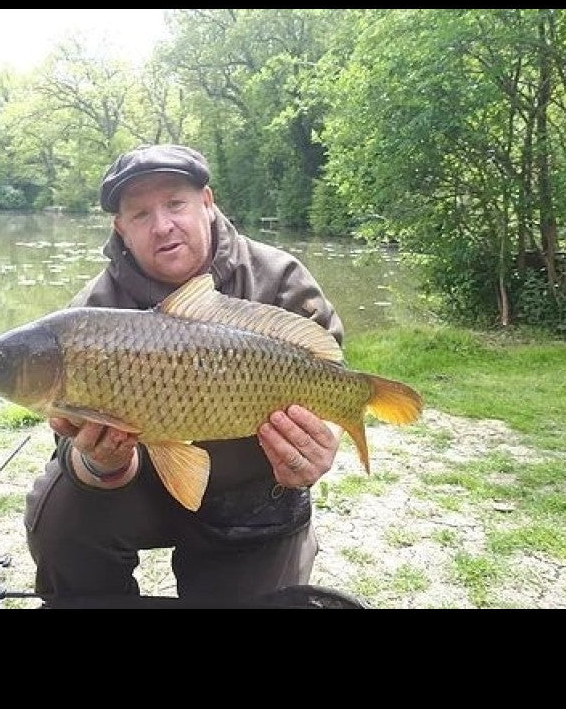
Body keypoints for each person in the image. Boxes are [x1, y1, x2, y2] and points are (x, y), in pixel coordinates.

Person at [23, 143, 345, 607]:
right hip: (138, 487)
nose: (162, 226)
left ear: (207, 203)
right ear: (121, 229)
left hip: (252, 494)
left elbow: (327, 377)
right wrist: (103, 464)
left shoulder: (279, 281)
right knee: (60, 505)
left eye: (175, 203)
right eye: (139, 214)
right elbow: (67, 441)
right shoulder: (89, 315)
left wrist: (316, 445)